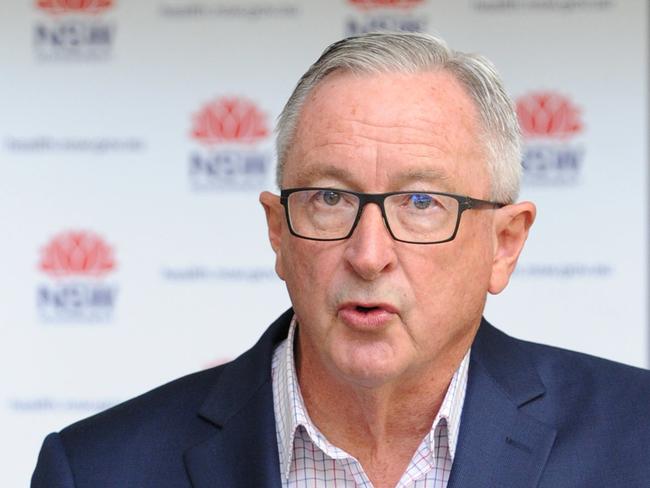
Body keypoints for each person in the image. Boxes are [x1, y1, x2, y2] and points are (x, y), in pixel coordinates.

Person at [32, 32, 650, 488]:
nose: (369, 254)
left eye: (420, 202)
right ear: (278, 233)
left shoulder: (636, 439)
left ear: (505, 244)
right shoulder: (96, 471)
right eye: (330, 198)